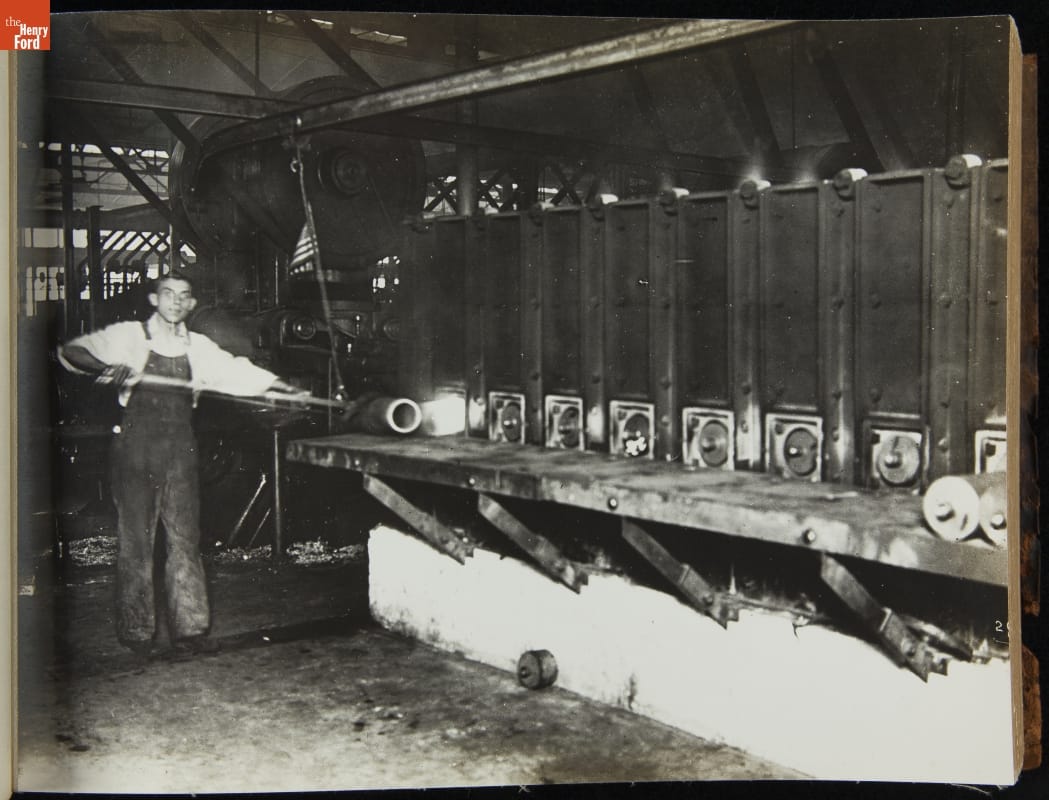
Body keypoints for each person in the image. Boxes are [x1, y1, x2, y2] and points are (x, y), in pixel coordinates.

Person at [58, 270, 305, 656]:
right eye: (168, 293)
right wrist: (104, 368)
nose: (175, 301)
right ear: (154, 299)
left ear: (191, 304)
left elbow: (236, 371)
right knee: (136, 542)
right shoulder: (130, 337)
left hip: (180, 451)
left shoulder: (199, 347)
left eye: (183, 295)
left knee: (185, 541)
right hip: (135, 452)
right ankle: (137, 633)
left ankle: (191, 630)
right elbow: (72, 352)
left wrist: (280, 385)